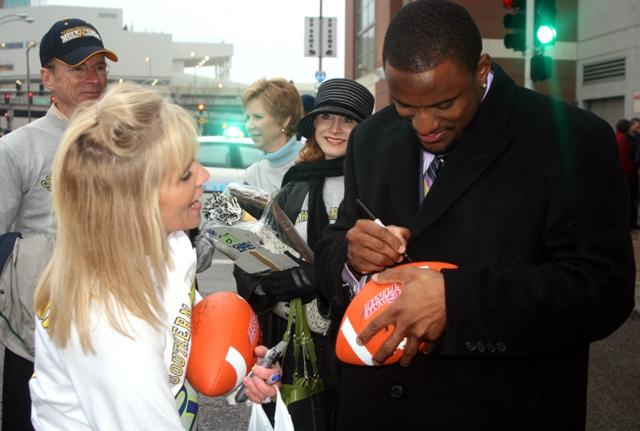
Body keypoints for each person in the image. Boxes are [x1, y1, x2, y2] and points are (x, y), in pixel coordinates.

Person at [315, 1, 635, 430]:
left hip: (498, 409)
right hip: (373, 411)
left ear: (482, 69)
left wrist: (457, 301)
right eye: (408, 108)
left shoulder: (570, 140)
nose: (424, 125)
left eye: (444, 104)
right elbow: (334, 243)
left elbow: (601, 290)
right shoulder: (370, 138)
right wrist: (350, 256)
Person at [28, 83, 279, 430]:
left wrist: (240, 369)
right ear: (135, 199)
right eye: (184, 173)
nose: (204, 176)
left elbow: (182, 334)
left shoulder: (171, 244)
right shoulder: (108, 322)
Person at [0, 18, 117, 430]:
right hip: (38, 342)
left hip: (113, 334)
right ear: (48, 76)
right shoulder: (17, 149)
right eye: (78, 67)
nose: (92, 77)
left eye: (99, 66)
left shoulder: (129, 143)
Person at [245, 79, 374, 430]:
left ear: (365, 129)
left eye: (347, 120)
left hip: (355, 342)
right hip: (294, 340)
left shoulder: (374, 184)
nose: (334, 128)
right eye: (326, 117)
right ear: (313, 124)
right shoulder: (295, 183)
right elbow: (260, 259)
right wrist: (266, 283)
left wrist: (314, 278)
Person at [243, 78, 303, 196]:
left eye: (257, 117)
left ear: (285, 120)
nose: (249, 126)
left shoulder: (313, 163)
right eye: (247, 118)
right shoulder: (254, 174)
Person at [615, 119, 636, 228]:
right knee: (628, 199)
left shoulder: (616, 136)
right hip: (625, 173)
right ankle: (629, 223)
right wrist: (631, 171)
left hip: (618, 172)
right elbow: (624, 158)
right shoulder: (623, 138)